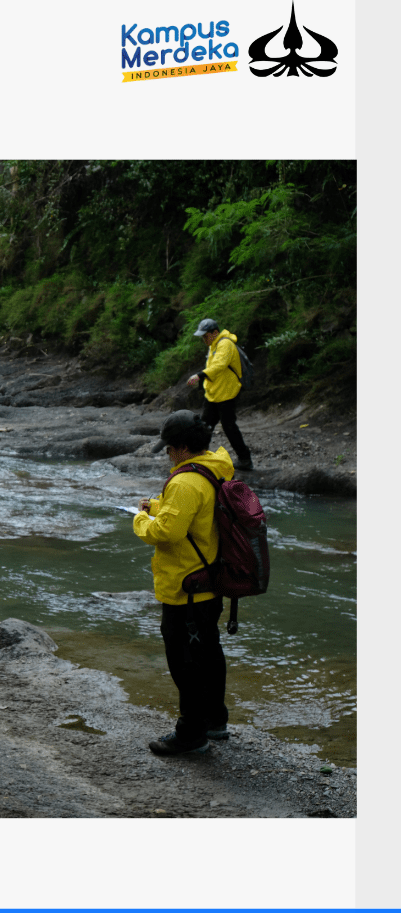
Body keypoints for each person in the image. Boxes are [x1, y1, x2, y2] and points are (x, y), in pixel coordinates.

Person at [133, 410, 234, 756]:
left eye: (170, 447)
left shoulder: (184, 481)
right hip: (211, 580)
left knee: (184, 661)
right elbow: (196, 512)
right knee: (209, 651)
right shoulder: (213, 468)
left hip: (185, 588)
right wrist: (160, 504)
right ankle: (216, 721)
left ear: (184, 447)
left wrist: (141, 520)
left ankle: (191, 734)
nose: (167, 453)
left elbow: (168, 532)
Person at [186, 317, 253, 471]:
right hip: (214, 393)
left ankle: (245, 459)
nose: (203, 339)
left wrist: (199, 375)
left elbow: (219, 366)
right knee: (205, 425)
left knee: (228, 426)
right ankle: (199, 457)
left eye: (205, 335)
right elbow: (213, 368)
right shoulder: (214, 345)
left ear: (215, 332)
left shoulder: (225, 344)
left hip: (227, 393)